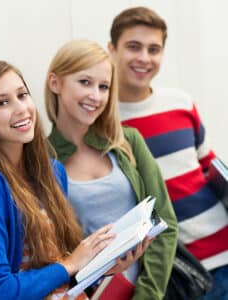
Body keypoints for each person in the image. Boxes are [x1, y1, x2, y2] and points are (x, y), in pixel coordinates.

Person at [0, 59, 131, 300]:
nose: (21, 109)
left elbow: (60, 267)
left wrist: (103, 267)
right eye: (3, 102)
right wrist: (70, 264)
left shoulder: (53, 172)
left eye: (22, 95)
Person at [108, 6, 228, 299]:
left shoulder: (181, 103)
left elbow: (209, 166)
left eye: (154, 49)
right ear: (111, 50)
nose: (144, 58)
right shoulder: (105, 122)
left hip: (224, 250)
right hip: (178, 271)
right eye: (133, 47)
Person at [45, 39, 178, 300]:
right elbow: (50, 252)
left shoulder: (127, 142)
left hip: (150, 292)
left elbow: (166, 223)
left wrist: (146, 295)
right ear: (55, 83)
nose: (95, 96)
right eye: (85, 82)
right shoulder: (42, 160)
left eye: (103, 86)